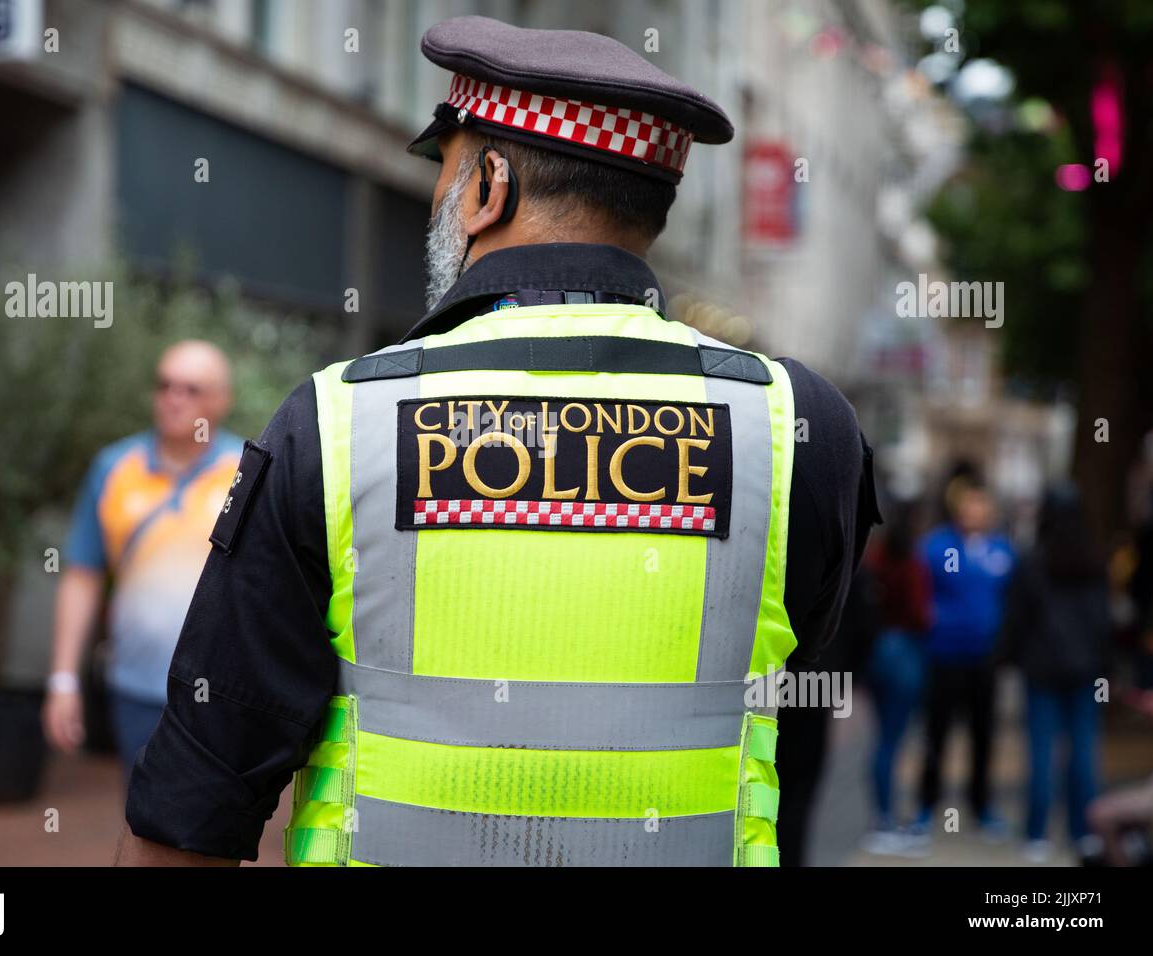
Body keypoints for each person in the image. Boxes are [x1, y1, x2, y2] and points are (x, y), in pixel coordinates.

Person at [117, 15, 879, 867]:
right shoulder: (798, 430)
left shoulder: (336, 423)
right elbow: (790, 659)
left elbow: (195, 811)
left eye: (445, 168)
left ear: (489, 186)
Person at [42, 340, 242, 783]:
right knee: (140, 818)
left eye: (192, 389)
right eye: (165, 385)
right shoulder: (114, 468)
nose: (174, 398)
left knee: (209, 830)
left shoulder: (246, 472)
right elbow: (82, 576)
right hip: (132, 687)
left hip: (220, 693)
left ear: (221, 400)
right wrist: (62, 681)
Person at [1001, 485, 1107, 862]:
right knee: (1083, 752)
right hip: (1084, 671)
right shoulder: (1094, 561)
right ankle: (1085, 833)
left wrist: (1008, 658)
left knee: (1042, 752)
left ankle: (1036, 833)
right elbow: (1102, 620)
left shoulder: (1033, 561)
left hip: (1042, 669)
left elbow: (1016, 618)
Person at [913, 471, 1016, 844]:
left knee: (983, 736)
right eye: (969, 503)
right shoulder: (935, 546)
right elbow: (921, 592)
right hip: (943, 657)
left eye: (981, 504)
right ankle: (926, 806)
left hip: (985, 661)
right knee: (937, 735)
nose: (975, 510)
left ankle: (981, 806)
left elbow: (1011, 599)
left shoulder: (1003, 550)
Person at [860, 499, 931, 855]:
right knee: (896, 740)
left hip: (877, 655)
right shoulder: (914, 565)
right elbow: (920, 614)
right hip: (905, 655)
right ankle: (890, 819)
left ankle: (881, 815)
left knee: (882, 741)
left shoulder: (874, 559)